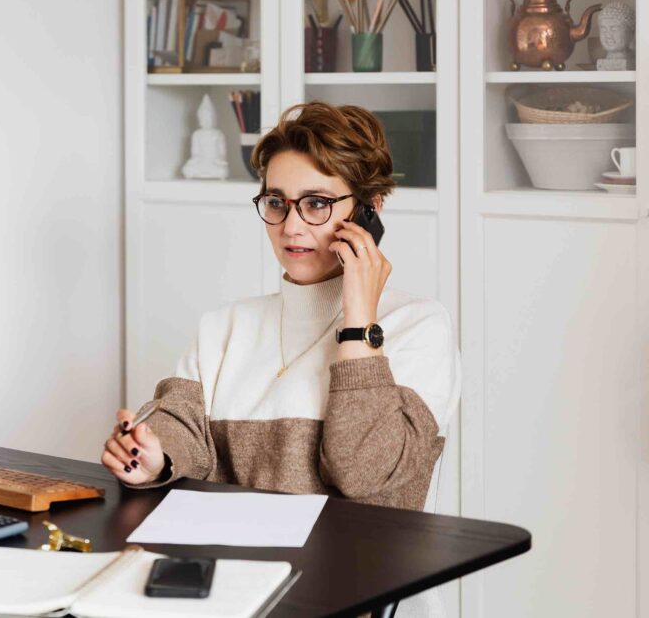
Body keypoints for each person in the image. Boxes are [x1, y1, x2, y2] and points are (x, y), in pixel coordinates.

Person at [102, 101, 460, 512]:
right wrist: (155, 457)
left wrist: (359, 318)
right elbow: (182, 427)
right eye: (277, 202)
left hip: (362, 572)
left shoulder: (419, 326)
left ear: (370, 210)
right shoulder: (224, 326)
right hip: (236, 565)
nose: (291, 228)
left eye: (316, 203)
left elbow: (364, 472)